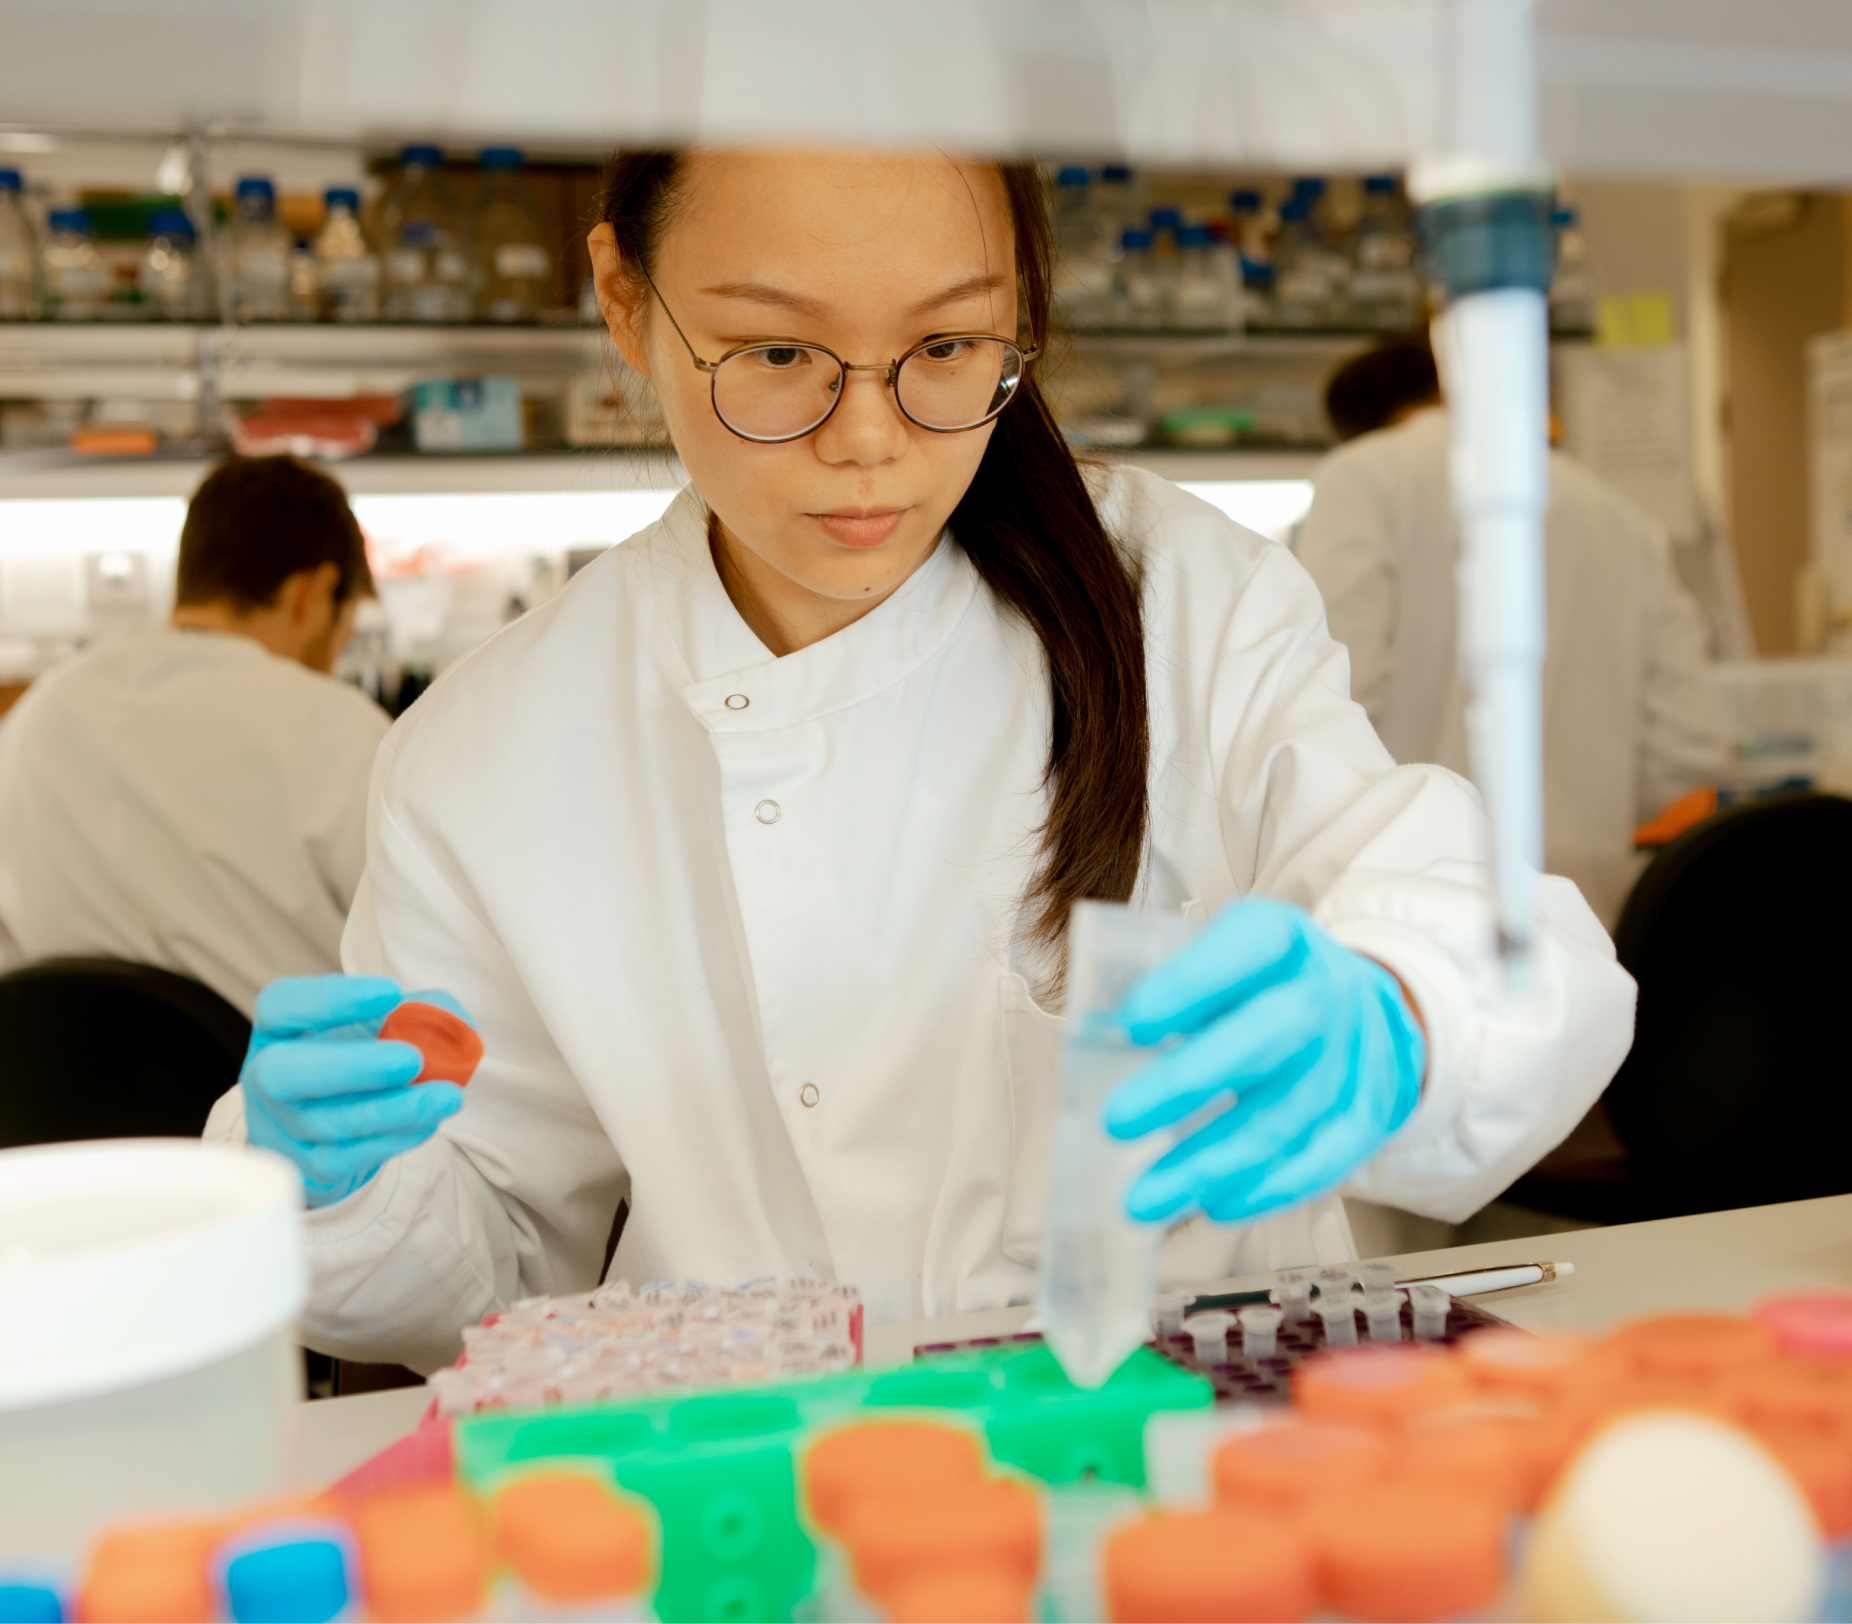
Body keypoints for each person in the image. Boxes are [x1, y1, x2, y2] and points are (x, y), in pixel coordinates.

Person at [207, 150, 1634, 1373]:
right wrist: (344, 1186)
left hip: (1194, 1464)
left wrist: (1398, 1009)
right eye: (777, 355)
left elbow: (1499, 939)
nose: (872, 443)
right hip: (765, 1493)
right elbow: (494, 1259)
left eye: (948, 349)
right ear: (626, 302)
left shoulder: (1189, 597)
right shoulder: (491, 750)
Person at [1298, 339, 1729, 928]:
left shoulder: (1363, 475)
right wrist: (1583, 811)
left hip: (1409, 913)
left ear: (1353, 427)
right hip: (1581, 922)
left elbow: (1330, 705)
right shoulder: (1621, 516)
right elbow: (1694, 744)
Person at [0, 456, 387, 1017]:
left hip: (49, 1095)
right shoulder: (336, 728)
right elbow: (425, 947)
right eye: (343, 629)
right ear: (315, 593)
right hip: (275, 1100)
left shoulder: (40, 712)